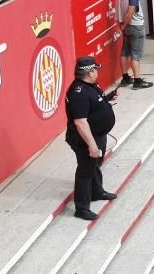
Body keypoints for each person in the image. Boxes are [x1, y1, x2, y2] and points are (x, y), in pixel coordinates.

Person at [65, 56, 117, 221]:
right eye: (95, 69)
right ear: (89, 73)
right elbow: (80, 123)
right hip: (85, 139)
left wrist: (108, 98)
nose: (97, 72)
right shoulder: (78, 93)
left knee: (96, 164)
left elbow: (92, 106)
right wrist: (92, 146)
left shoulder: (90, 85)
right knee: (85, 170)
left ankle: (97, 191)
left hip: (98, 134)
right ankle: (81, 208)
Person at [118, 0, 154, 90]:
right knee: (135, 55)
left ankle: (125, 78)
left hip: (126, 26)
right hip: (135, 26)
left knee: (125, 52)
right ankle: (137, 81)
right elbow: (130, 13)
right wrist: (124, 25)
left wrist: (122, 26)